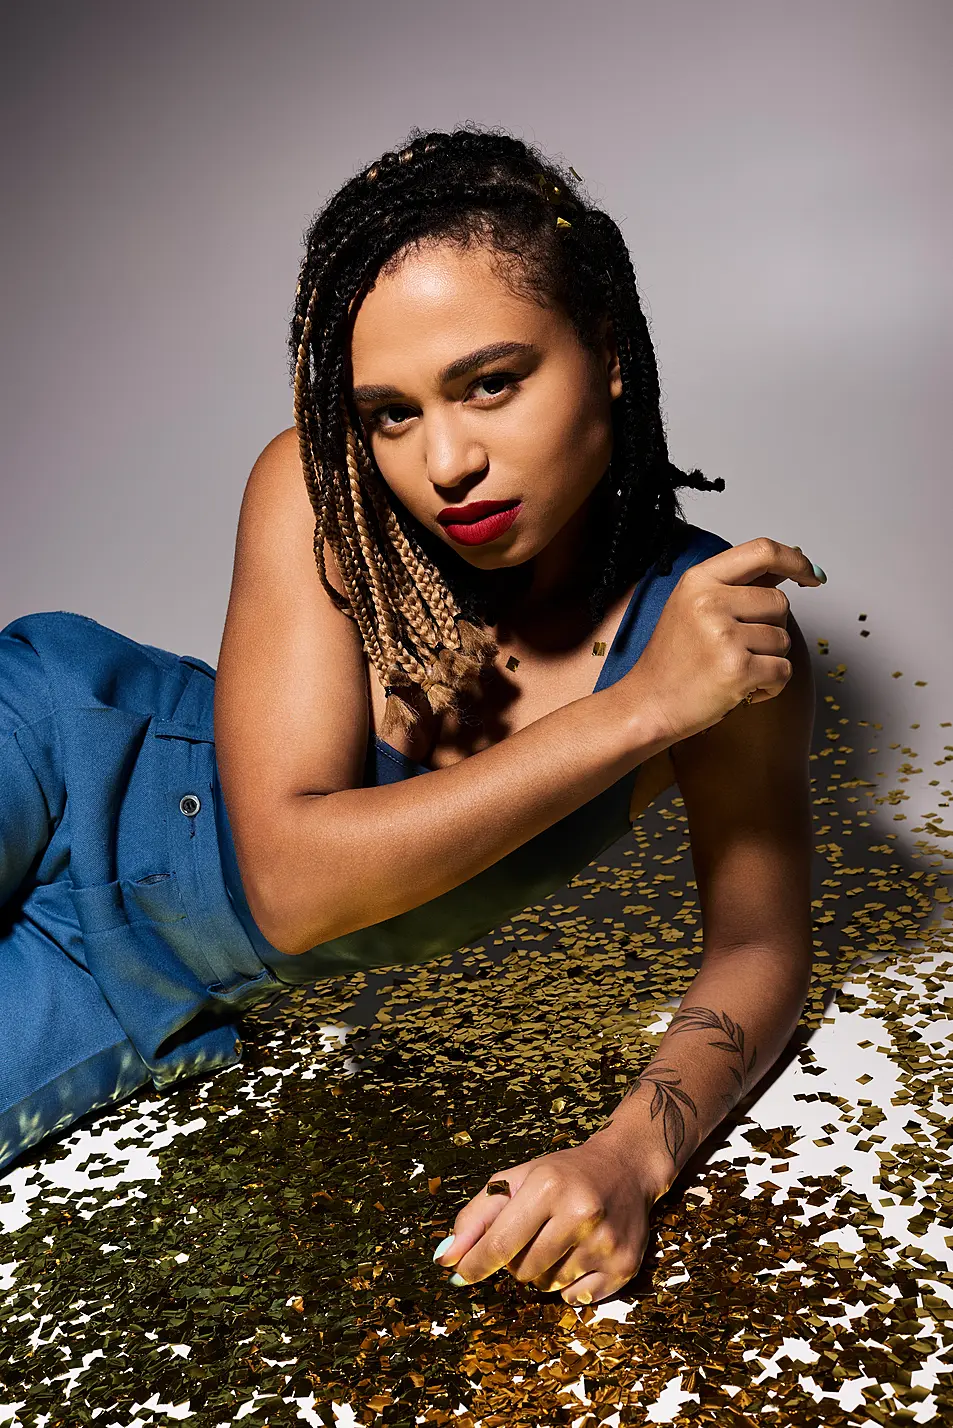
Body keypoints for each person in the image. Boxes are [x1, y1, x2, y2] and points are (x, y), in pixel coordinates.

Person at [0, 126, 826, 1307]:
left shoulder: (720, 644)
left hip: (134, 978)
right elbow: (293, 881)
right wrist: (638, 714)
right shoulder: (314, 486)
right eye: (391, 412)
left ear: (606, 354)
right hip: (56, 744)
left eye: (491, 383)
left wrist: (625, 1158)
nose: (444, 461)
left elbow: (759, 945)